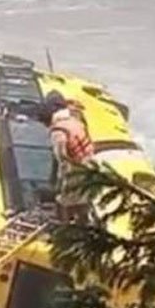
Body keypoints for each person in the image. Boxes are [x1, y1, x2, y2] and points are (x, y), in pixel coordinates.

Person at [39, 90, 95, 223]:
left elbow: (62, 158)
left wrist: (58, 183)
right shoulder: (74, 119)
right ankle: (85, 224)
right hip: (89, 163)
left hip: (75, 167)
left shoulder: (58, 131)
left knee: (63, 200)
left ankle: (65, 228)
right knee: (83, 197)